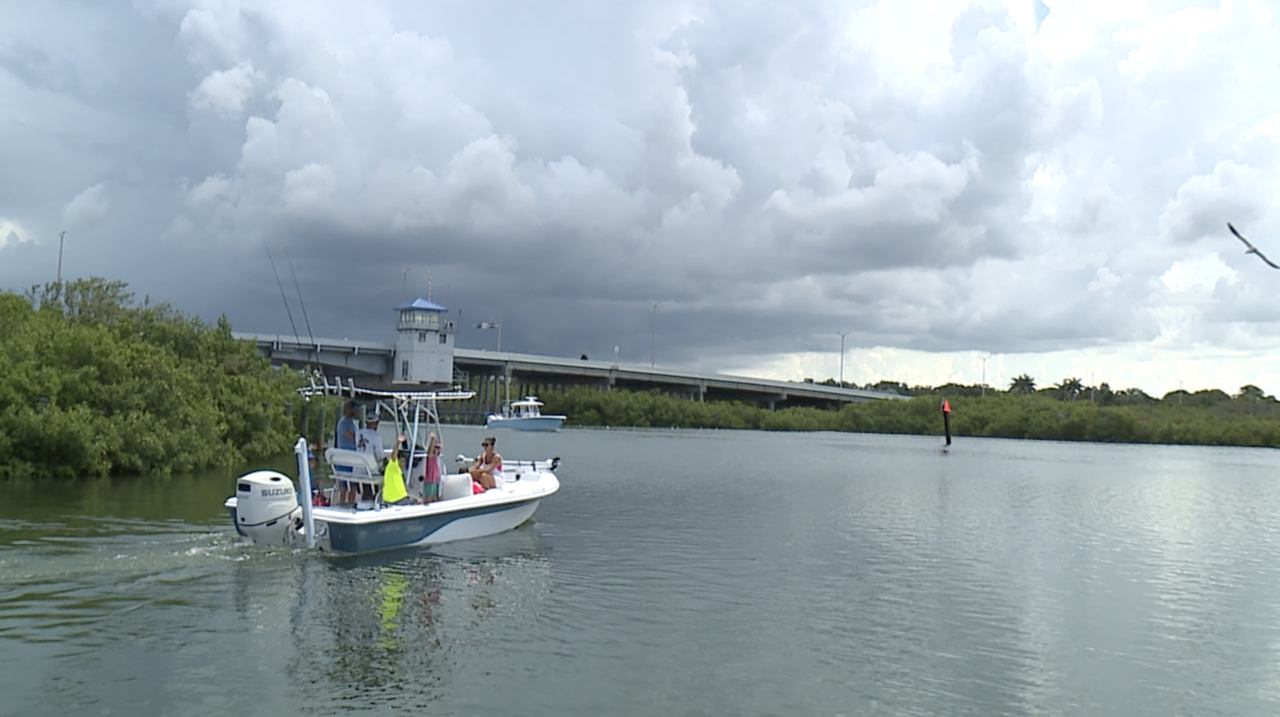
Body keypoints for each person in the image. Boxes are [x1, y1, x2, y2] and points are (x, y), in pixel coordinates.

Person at [335, 400, 360, 504]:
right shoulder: (343, 423)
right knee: (344, 486)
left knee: (353, 486)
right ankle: (341, 504)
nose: (355, 411)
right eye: (353, 408)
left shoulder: (352, 423)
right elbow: (351, 437)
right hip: (344, 458)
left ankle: (351, 504)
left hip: (353, 459)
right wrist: (360, 440)